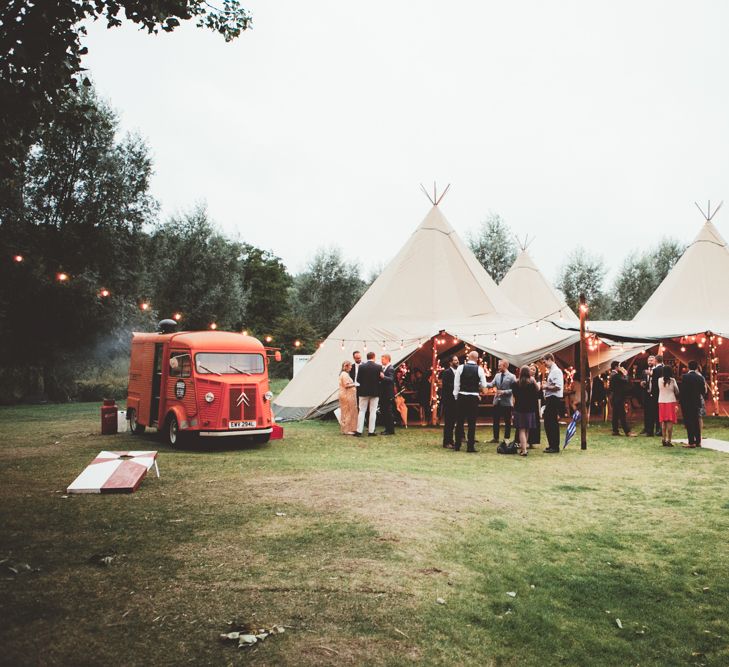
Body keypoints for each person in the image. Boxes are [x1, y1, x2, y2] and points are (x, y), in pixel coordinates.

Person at [453, 350, 487, 452]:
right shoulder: (479, 369)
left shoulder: (460, 368)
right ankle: (470, 446)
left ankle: (457, 445)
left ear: (468, 357)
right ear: (477, 359)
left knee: (459, 422)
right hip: (473, 397)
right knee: (472, 423)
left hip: (462, 396)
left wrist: (456, 396)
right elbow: (484, 385)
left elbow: (456, 384)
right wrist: (478, 387)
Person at [487, 359, 517, 445]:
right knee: (495, 420)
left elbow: (514, 389)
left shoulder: (512, 376)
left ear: (505, 366)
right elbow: (491, 384)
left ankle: (506, 438)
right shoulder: (497, 375)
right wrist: (481, 383)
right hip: (497, 402)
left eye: (499, 365)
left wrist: (504, 392)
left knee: (507, 421)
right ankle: (495, 438)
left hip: (507, 402)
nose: (498, 367)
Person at [512, 366, 539, 456]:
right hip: (530, 408)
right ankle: (524, 448)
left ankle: (524, 449)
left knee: (522, 429)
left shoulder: (516, 384)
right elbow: (537, 391)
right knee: (527, 429)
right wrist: (534, 381)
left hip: (519, 408)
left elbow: (514, 395)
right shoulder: (531, 384)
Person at [680, 360, 707, 448]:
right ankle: (698, 441)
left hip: (687, 402)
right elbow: (703, 391)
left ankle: (691, 442)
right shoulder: (700, 377)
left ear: (688, 367)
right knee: (696, 422)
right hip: (696, 401)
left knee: (689, 422)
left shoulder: (685, 377)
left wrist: (681, 401)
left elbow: (683, 391)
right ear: (696, 367)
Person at [354, 351, 381, 437]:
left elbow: (358, 379)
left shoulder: (361, 367)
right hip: (375, 392)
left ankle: (359, 431)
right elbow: (380, 379)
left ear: (367, 357)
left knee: (362, 411)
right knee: (373, 412)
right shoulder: (378, 367)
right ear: (374, 357)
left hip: (363, 391)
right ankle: (371, 431)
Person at [542, 353, 563, 453]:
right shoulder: (552, 371)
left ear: (550, 359)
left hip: (554, 399)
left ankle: (554, 446)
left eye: (544, 361)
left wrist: (546, 387)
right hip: (551, 398)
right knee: (548, 422)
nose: (544, 364)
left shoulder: (556, 371)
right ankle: (552, 444)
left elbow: (558, 386)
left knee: (551, 422)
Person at [609, 361, 637, 437]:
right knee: (622, 414)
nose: (620, 367)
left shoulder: (613, 374)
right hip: (619, 397)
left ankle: (615, 430)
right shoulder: (616, 375)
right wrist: (625, 373)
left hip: (615, 397)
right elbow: (625, 380)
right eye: (619, 366)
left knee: (615, 414)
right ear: (616, 367)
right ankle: (627, 431)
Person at [657, 365, 679, 447]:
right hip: (670, 400)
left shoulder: (659, 380)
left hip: (662, 401)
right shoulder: (672, 380)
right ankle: (669, 440)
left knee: (663, 421)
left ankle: (663, 439)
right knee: (670, 421)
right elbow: (677, 390)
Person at [440, 355, 459, 448]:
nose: (457, 362)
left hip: (456, 401)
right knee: (448, 422)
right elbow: (446, 385)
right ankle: (446, 442)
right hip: (448, 400)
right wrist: (457, 386)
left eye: (457, 360)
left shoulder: (459, 372)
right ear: (450, 362)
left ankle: (451, 440)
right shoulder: (446, 372)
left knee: (453, 422)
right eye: (455, 360)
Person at [338, 361, 358, 435]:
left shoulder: (344, 374)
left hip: (346, 395)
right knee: (348, 411)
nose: (351, 367)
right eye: (350, 366)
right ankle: (347, 430)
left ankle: (348, 428)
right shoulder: (344, 375)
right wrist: (355, 384)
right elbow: (346, 385)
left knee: (347, 411)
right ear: (346, 366)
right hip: (346, 396)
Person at [379, 354, 396, 436]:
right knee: (385, 411)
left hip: (387, 394)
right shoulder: (385, 368)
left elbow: (391, 379)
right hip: (384, 393)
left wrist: (383, 377)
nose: (381, 361)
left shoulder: (391, 368)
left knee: (388, 412)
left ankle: (390, 430)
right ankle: (387, 428)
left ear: (387, 359)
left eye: (382, 359)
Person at [640, 355, 657, 435]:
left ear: (655, 361)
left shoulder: (656, 370)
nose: (650, 362)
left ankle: (653, 429)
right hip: (646, 393)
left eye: (651, 360)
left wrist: (652, 375)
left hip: (654, 394)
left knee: (653, 412)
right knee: (646, 412)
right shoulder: (644, 371)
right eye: (649, 360)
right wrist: (642, 382)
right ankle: (646, 428)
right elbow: (643, 379)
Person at [649, 354, 665, 437]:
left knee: (655, 412)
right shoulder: (664, 369)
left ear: (656, 360)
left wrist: (651, 392)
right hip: (663, 392)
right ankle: (660, 429)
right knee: (661, 412)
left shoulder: (655, 370)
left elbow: (655, 383)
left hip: (656, 393)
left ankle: (658, 429)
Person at [527, 363, 542, 447]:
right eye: (530, 369)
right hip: (527, 402)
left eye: (534, 370)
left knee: (534, 420)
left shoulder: (537, 380)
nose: (532, 371)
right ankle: (526, 440)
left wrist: (533, 380)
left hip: (534, 402)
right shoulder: (524, 379)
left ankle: (533, 441)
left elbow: (538, 388)